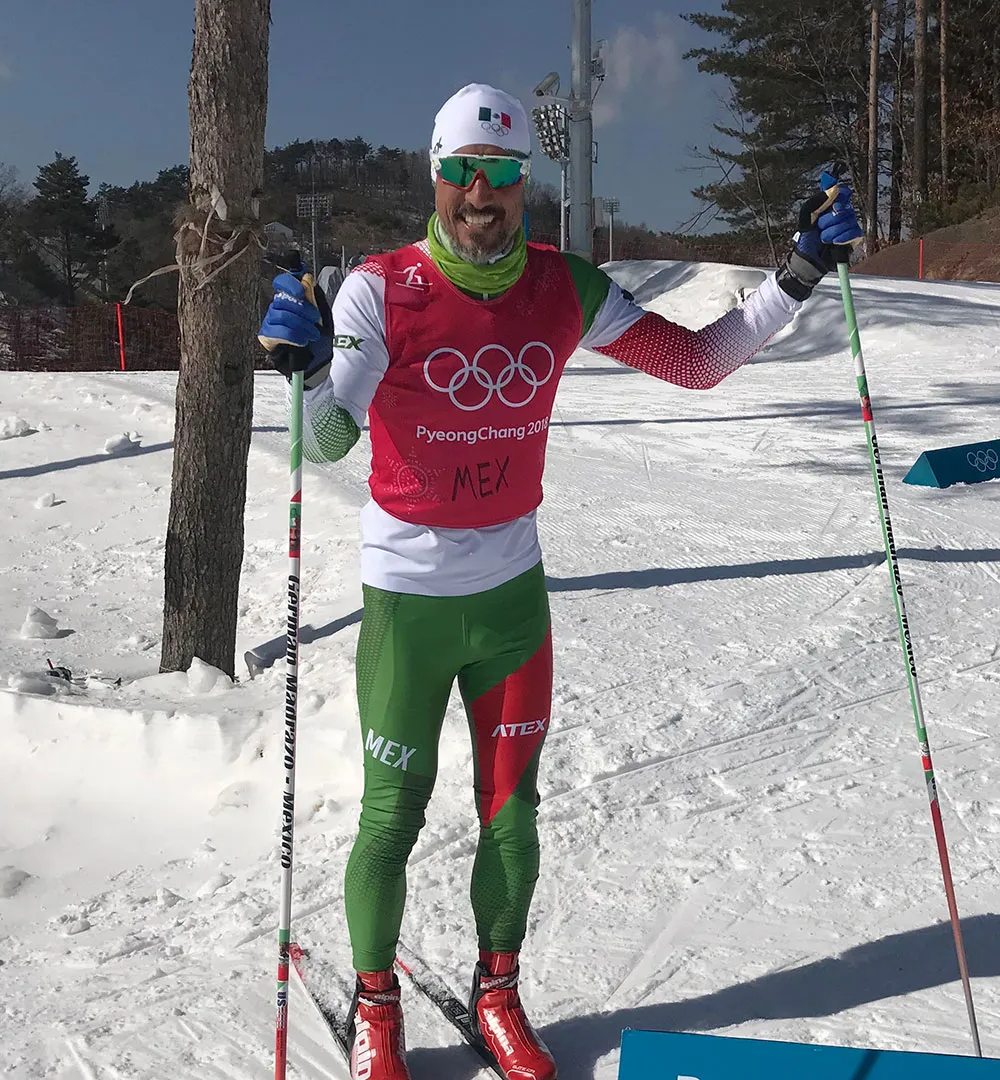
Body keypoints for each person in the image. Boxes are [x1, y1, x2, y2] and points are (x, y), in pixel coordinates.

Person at [258, 83, 861, 1080]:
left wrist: (796, 274)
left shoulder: (565, 286)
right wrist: (309, 369)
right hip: (408, 601)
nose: (479, 194)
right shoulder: (380, 287)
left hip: (511, 599)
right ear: (436, 177)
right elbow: (325, 442)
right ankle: (376, 1004)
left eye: (498, 174)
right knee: (389, 815)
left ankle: (498, 990)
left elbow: (699, 362)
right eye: (461, 173)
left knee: (513, 809)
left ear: (520, 182)